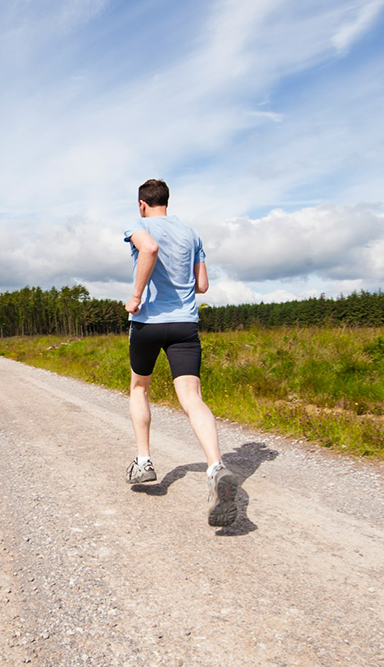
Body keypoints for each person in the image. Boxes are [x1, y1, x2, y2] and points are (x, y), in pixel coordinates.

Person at [122, 179, 238, 527]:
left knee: (139, 388)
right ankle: (216, 466)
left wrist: (137, 296)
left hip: (148, 323)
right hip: (185, 324)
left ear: (142, 204)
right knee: (192, 398)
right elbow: (202, 285)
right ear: (166, 202)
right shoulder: (190, 233)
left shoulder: (138, 225)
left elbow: (150, 249)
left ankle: (144, 462)